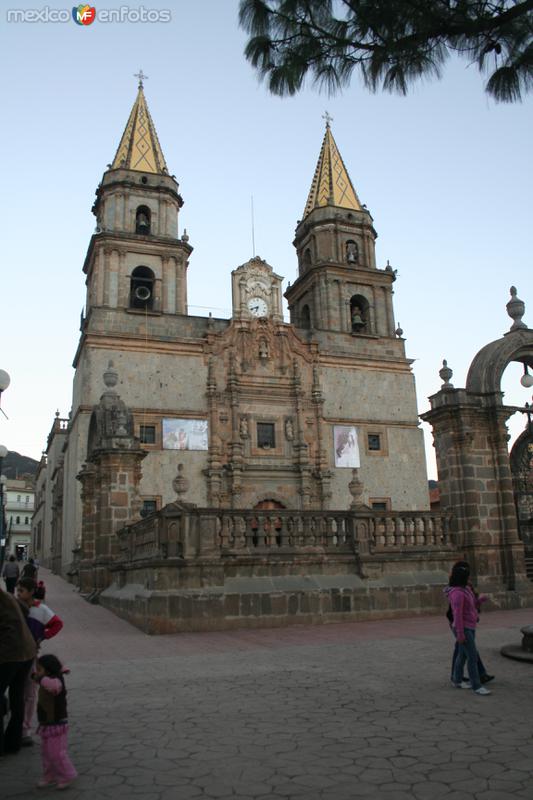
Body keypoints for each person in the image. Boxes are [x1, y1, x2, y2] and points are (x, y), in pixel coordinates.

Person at [16, 578, 64, 746]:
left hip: (30, 656)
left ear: (30, 592)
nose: (18, 594)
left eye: (21, 591)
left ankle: (25, 729)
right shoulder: (14, 607)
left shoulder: (40, 609)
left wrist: (43, 636)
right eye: (17, 590)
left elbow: (57, 623)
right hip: (13, 656)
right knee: (18, 692)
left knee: (29, 693)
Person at [0, 587, 36, 755]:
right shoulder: (6, 595)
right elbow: (26, 609)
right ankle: (13, 743)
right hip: (27, 650)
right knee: (17, 696)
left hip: (9, 653)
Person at [33, 654, 77, 790]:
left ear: (48, 670)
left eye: (39, 669)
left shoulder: (56, 681)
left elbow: (52, 686)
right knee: (46, 753)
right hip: (47, 723)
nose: (37, 672)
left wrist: (39, 678)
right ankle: (50, 775)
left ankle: (66, 775)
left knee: (56, 753)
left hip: (57, 723)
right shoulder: (47, 678)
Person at [446, 562, 491, 695]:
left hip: (469, 626)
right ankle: (476, 685)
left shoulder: (466, 590)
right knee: (472, 656)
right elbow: (457, 615)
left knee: (462, 655)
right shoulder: (457, 593)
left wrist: (480, 601)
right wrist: (460, 634)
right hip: (463, 628)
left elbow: (471, 606)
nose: (469, 579)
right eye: (467, 577)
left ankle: (457, 679)